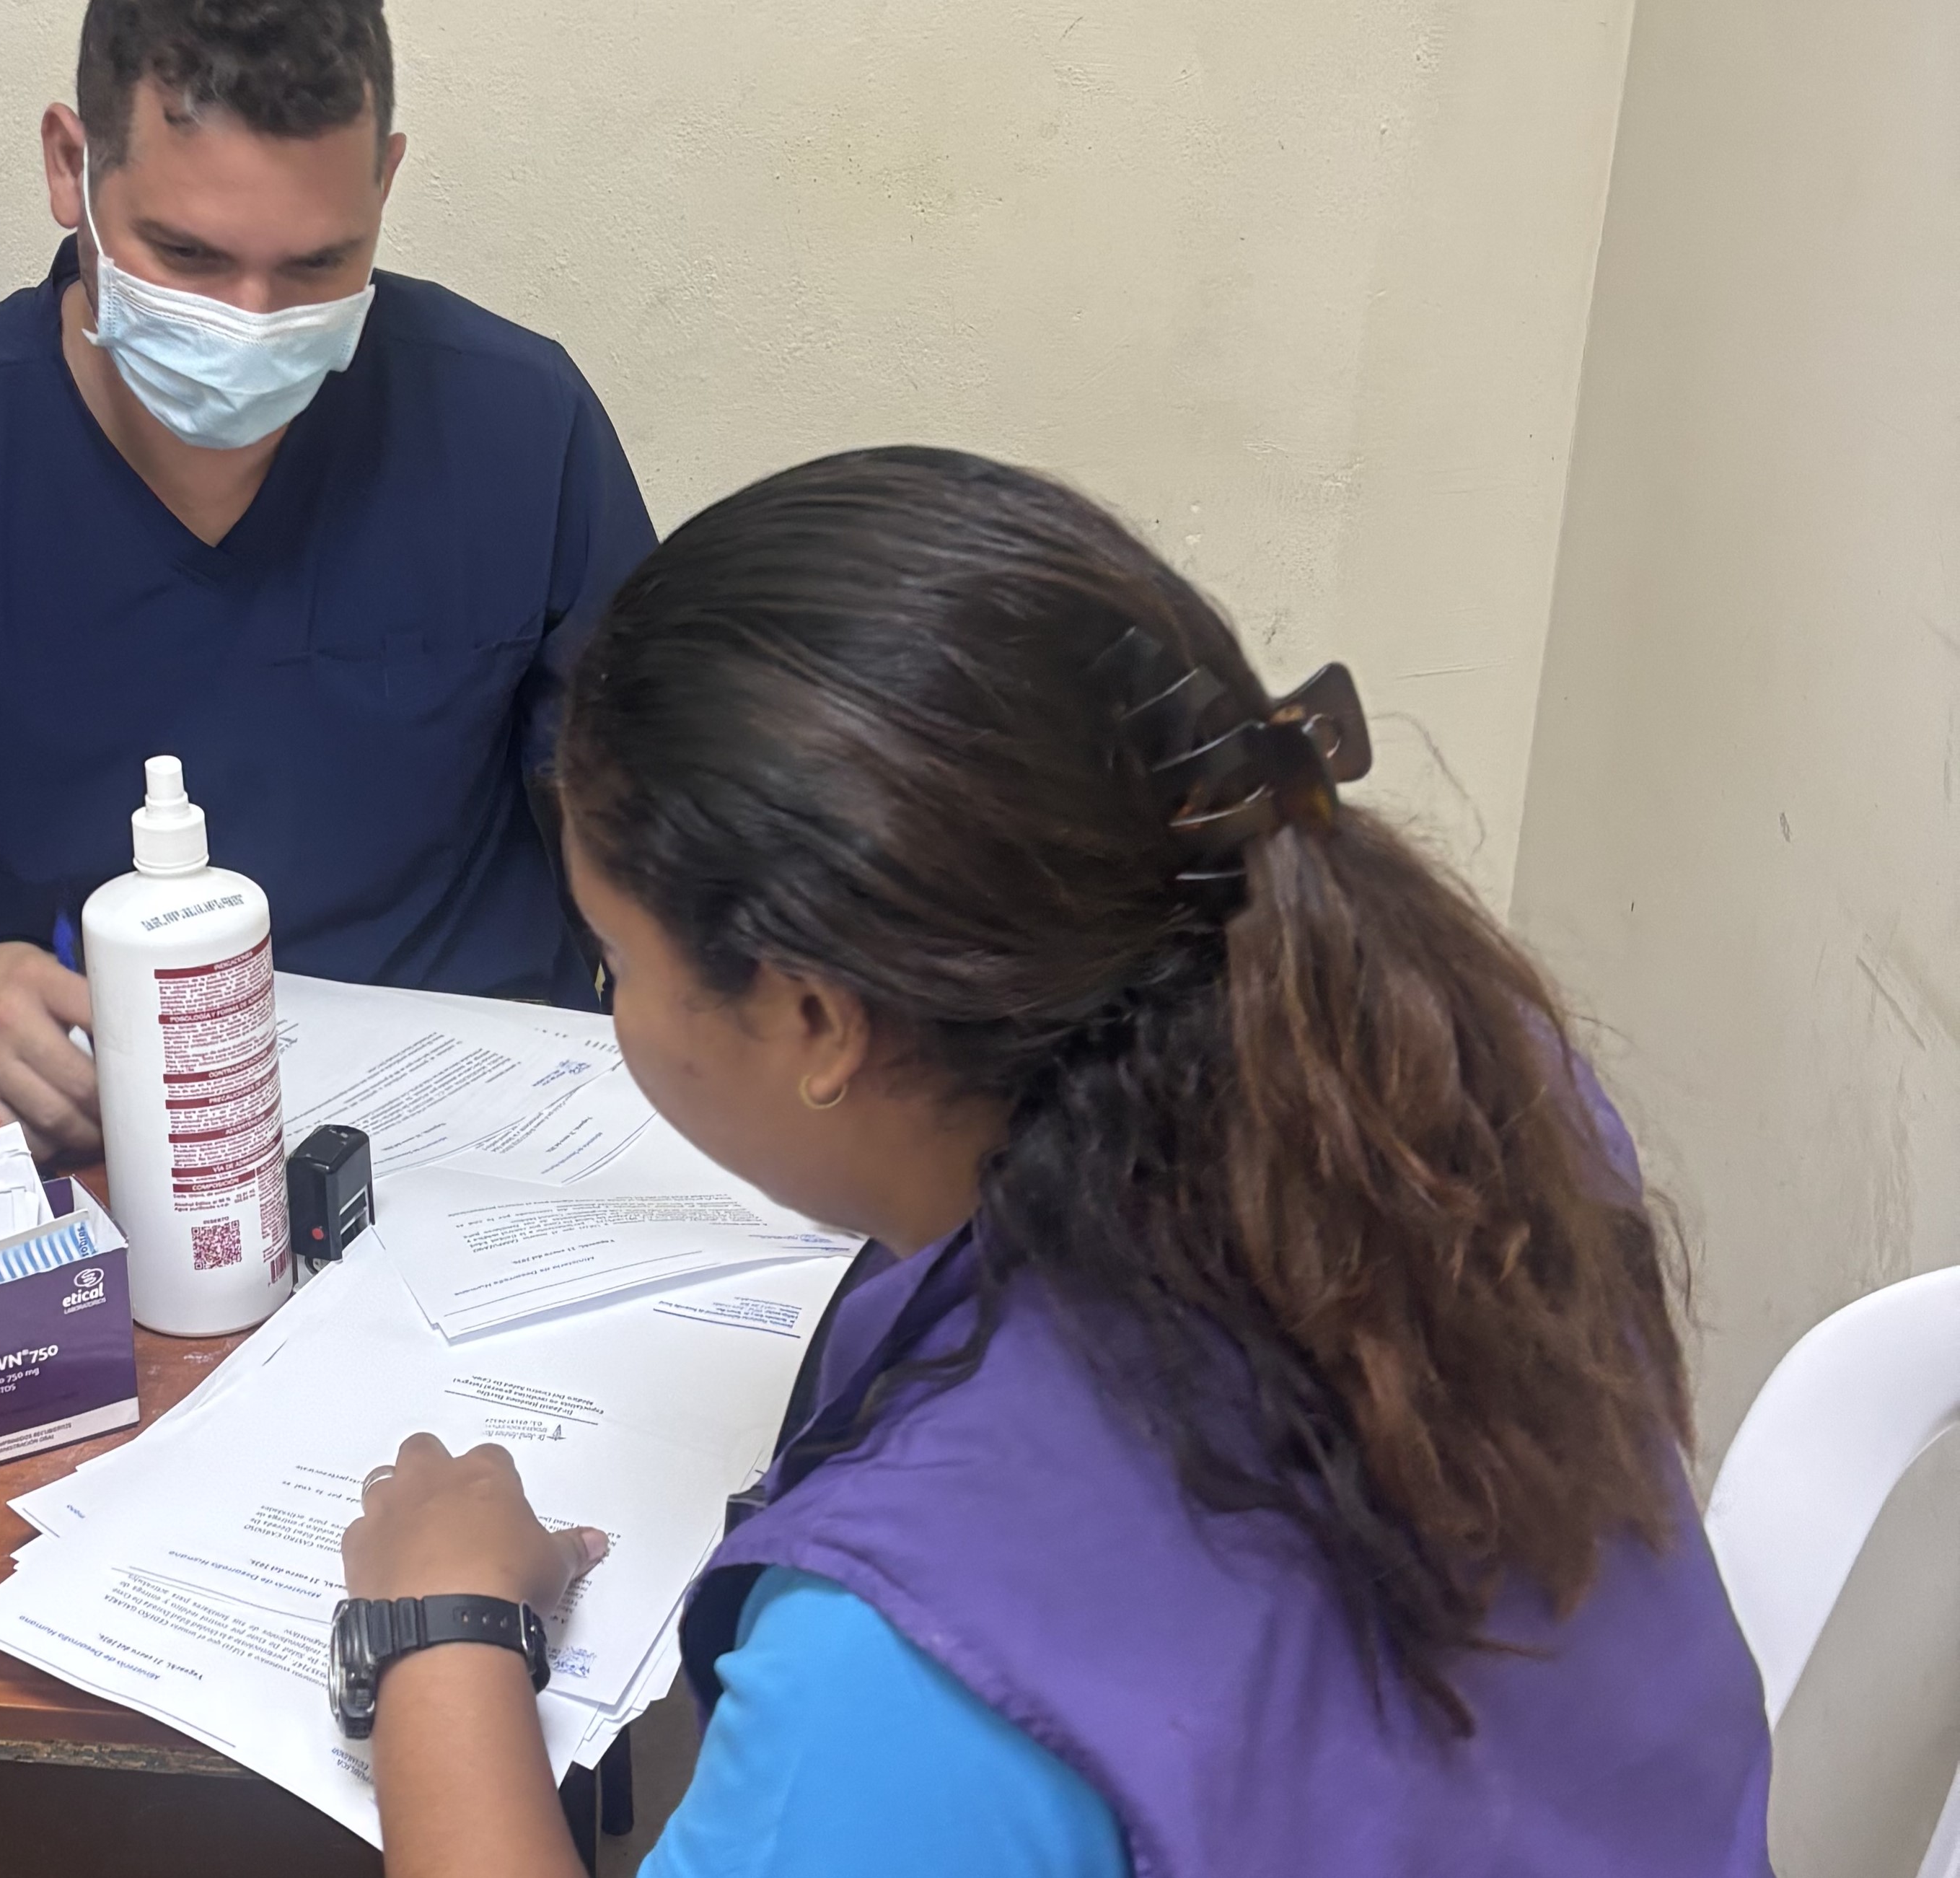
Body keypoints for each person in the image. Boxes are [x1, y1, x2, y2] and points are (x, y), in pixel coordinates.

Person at [338, 448, 1775, 1877]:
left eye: (616, 958)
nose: (617, 1003)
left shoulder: (904, 1673)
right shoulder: (1452, 1074)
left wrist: (444, 1629)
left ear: (818, 1021)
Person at [0, 0, 654, 1149]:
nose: (252, 321)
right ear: (70, 167)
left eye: (316, 265)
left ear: (386, 182)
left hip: (473, 1143)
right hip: (88, 1139)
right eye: (190, 257)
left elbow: (669, 821)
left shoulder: (515, 422)